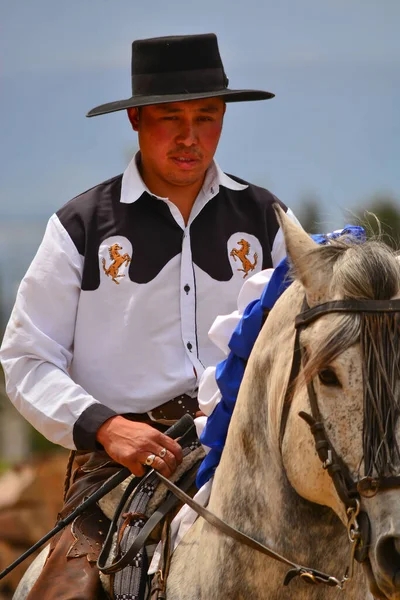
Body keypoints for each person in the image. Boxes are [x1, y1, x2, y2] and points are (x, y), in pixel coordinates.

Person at [0, 33, 301, 599]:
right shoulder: (80, 227)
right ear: (136, 118)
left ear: (224, 118)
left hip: (250, 458)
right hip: (115, 473)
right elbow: (24, 359)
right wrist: (107, 429)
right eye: (170, 118)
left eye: (206, 117)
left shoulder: (268, 221)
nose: (190, 137)